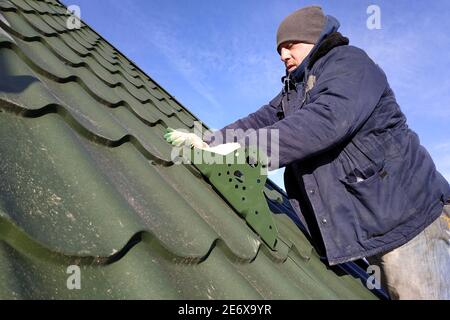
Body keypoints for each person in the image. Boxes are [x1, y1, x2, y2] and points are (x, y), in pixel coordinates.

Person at [165, 6, 450, 299]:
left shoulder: (351, 64)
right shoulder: (295, 89)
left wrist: (245, 148)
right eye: (279, 50)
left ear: (316, 39)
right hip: (373, 227)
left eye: (290, 46)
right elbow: (262, 118)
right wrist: (210, 141)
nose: (283, 56)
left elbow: (326, 120)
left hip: (411, 222)